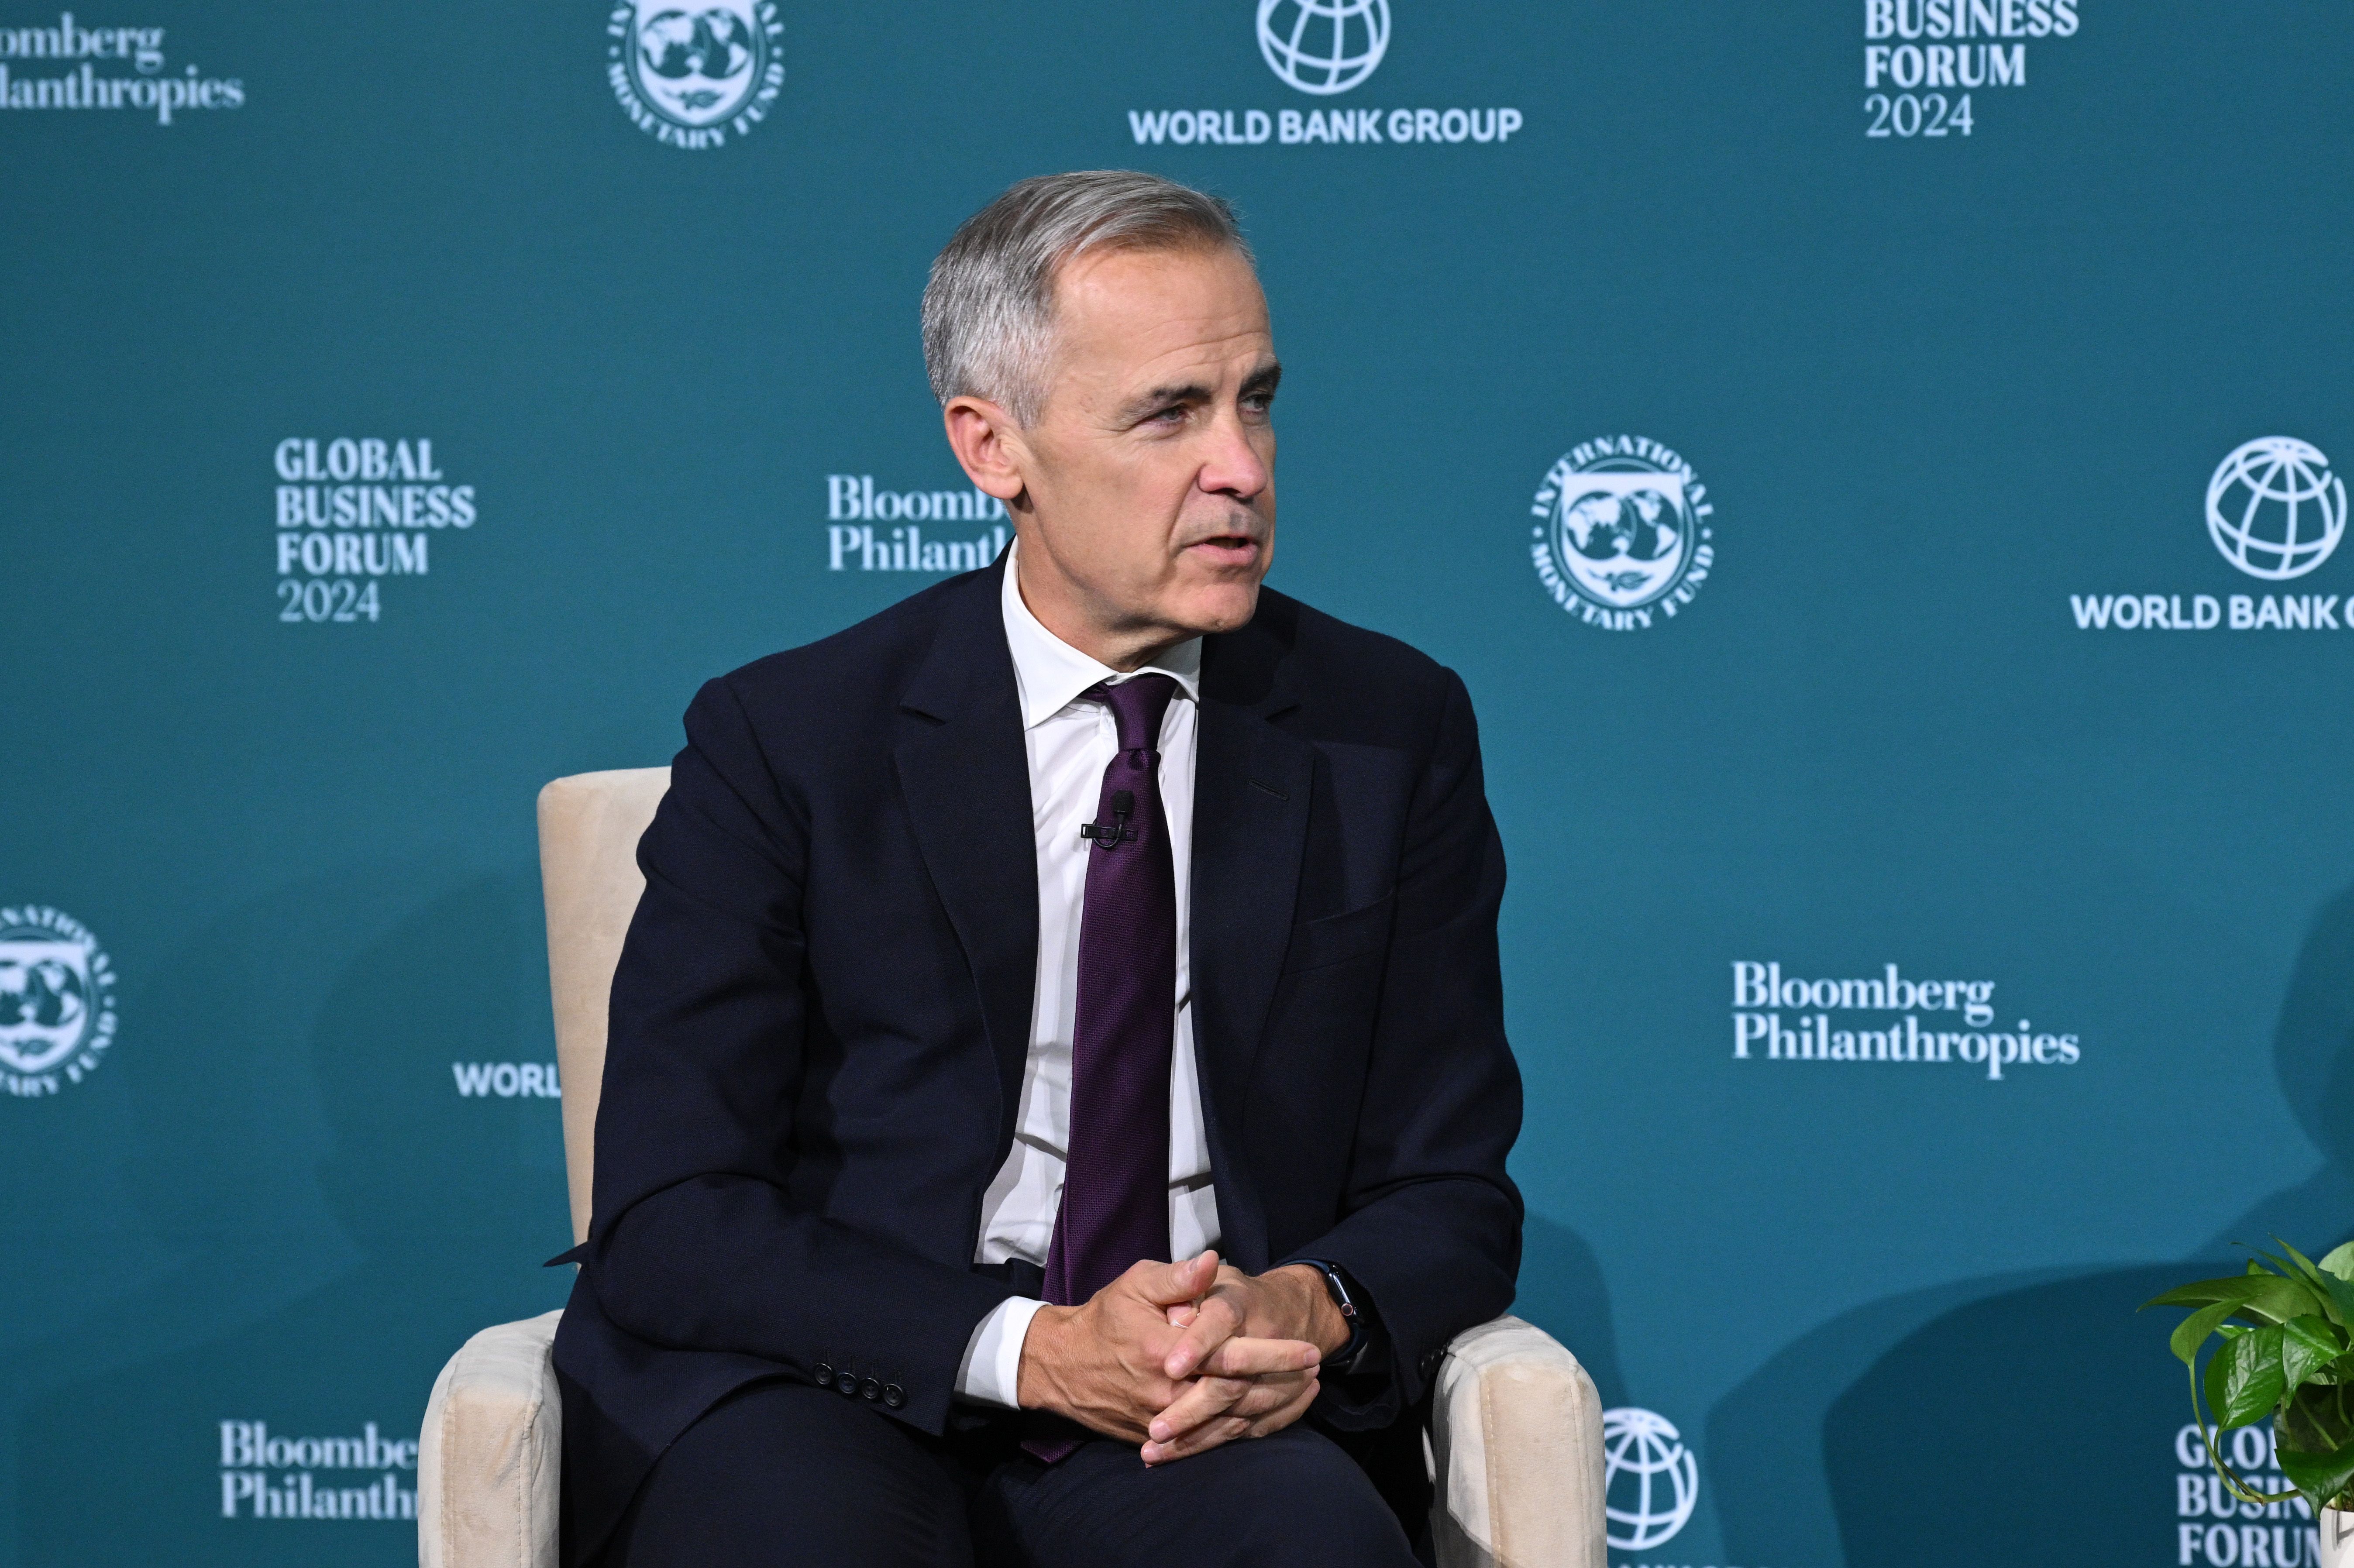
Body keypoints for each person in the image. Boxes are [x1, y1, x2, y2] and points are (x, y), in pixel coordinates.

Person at [552, 170, 1523, 1568]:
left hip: (1194, 1412)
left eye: (1256, 399)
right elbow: (670, 1212)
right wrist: (1029, 1350)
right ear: (992, 448)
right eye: (1170, 414)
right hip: (841, 1381)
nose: (1241, 467)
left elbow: (1452, 1190)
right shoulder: (792, 740)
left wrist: (1303, 1308)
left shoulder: (1388, 730)